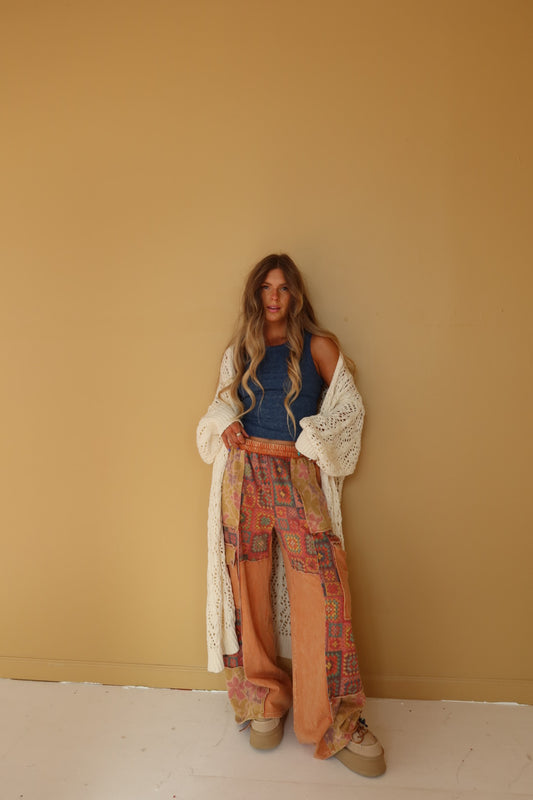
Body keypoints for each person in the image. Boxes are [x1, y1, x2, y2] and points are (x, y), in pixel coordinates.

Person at [196, 253, 385, 777]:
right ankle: (261, 699)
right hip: (244, 475)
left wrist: (313, 439)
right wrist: (226, 421)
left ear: (296, 294)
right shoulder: (241, 349)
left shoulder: (319, 346)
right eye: (265, 287)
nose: (274, 297)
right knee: (247, 589)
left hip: (297, 475)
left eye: (282, 287)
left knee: (323, 589)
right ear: (256, 295)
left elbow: (349, 411)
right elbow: (220, 403)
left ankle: (332, 722)